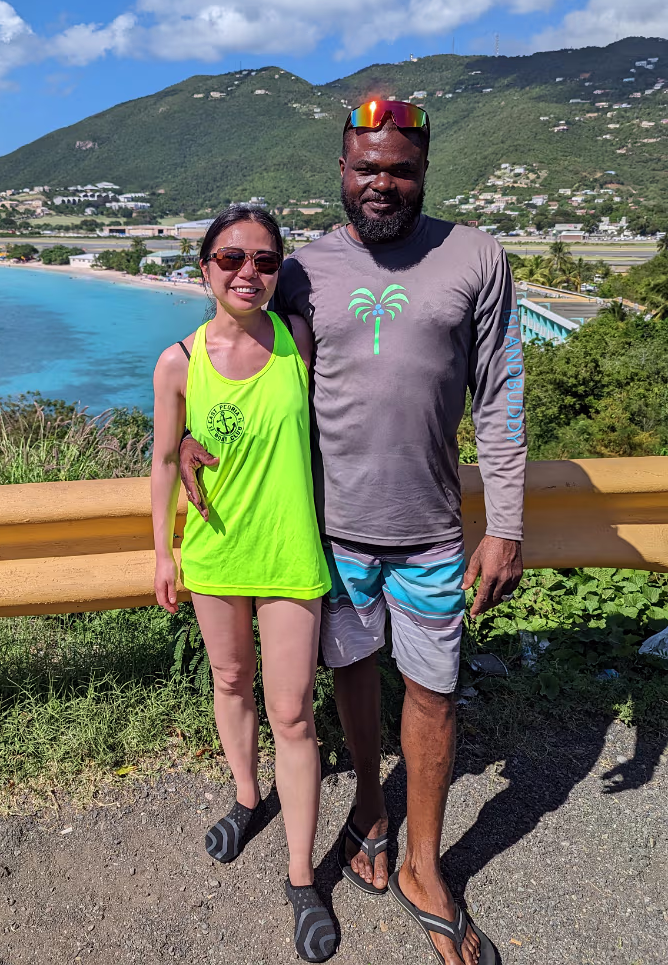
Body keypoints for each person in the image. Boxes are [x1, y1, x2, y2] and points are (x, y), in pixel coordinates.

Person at [180, 100, 526, 965]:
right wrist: (189, 429)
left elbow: (499, 396)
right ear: (341, 170)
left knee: (434, 691)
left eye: (400, 169)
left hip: (432, 532)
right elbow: (245, 354)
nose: (383, 183)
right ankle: (370, 809)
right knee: (353, 672)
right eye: (366, 167)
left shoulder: (476, 256)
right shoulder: (302, 270)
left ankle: (424, 867)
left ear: (425, 171)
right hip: (330, 536)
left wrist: (507, 525)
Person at [151, 205, 338, 964]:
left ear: (278, 271)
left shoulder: (297, 338)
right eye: (231, 258)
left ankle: (301, 877)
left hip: (291, 553)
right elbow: (166, 460)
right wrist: (163, 553)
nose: (247, 273)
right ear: (205, 268)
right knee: (231, 680)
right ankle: (246, 796)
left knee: (292, 713)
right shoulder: (178, 362)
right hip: (215, 551)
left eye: (264, 260)